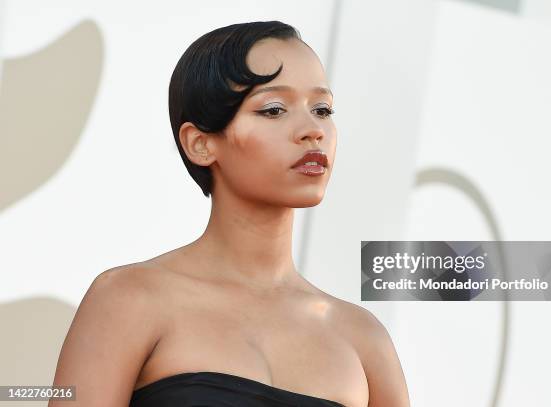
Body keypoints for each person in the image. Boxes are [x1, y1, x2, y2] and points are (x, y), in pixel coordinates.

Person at [49, 21, 410, 407]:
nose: (313, 130)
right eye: (274, 109)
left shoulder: (364, 339)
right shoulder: (128, 299)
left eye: (322, 109)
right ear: (200, 144)